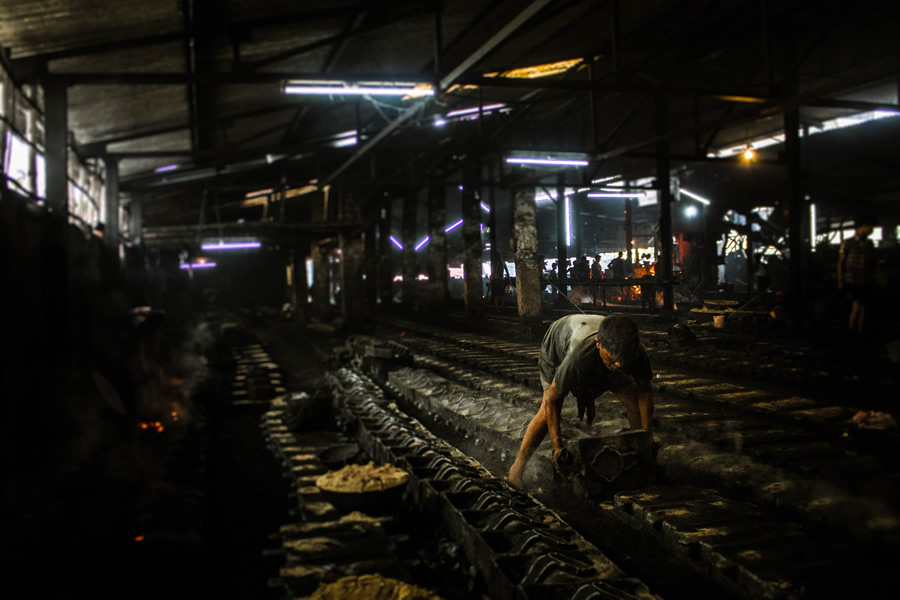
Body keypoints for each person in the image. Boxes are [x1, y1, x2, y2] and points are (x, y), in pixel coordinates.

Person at [508, 314, 654, 488]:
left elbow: (644, 392)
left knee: (632, 399)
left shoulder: (633, 352)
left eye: (622, 359)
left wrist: (646, 435)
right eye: (613, 359)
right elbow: (552, 400)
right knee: (545, 412)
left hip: (599, 349)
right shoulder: (578, 358)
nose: (619, 366)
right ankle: (516, 469)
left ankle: (639, 456)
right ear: (599, 343)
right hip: (557, 345)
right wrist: (558, 447)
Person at [837, 216, 877, 334]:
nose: (871, 230)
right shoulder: (848, 243)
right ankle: (853, 331)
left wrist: (876, 275)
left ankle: (859, 331)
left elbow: (874, 261)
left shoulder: (869, 244)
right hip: (853, 279)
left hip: (866, 279)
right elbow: (841, 262)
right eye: (870, 227)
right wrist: (840, 279)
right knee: (857, 305)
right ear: (863, 226)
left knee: (863, 306)